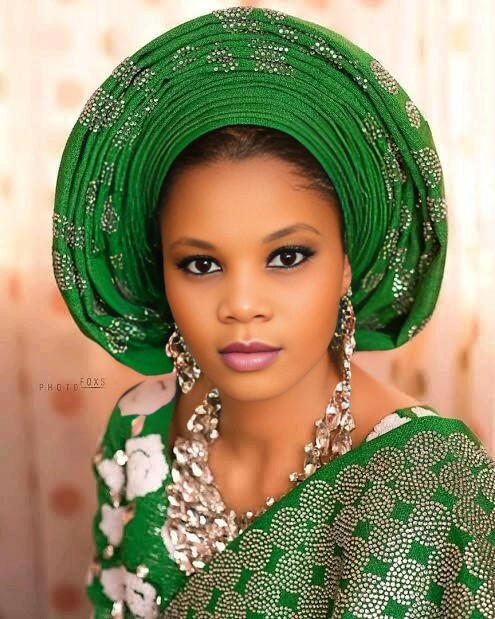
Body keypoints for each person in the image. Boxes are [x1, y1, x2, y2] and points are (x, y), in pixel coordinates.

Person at [52, 7, 495, 619]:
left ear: (347, 263)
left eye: (287, 257)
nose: (242, 306)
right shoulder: (139, 428)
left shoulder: (426, 482)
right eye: (201, 264)